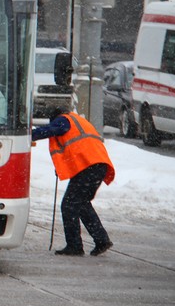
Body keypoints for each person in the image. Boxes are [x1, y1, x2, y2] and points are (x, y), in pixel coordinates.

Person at [32, 107, 115, 256]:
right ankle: (101, 240)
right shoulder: (78, 121)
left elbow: (51, 129)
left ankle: (75, 246)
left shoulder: (64, 120)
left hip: (89, 166)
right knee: (81, 204)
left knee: (69, 205)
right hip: (97, 165)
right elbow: (74, 148)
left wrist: (28, 134)